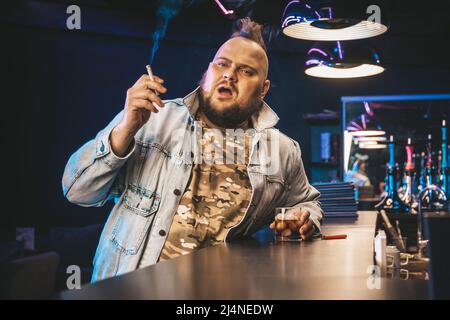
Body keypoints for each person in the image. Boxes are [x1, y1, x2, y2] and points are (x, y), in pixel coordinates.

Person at [62, 17, 323, 282]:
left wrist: (302, 218)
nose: (229, 75)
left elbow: (306, 202)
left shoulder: (282, 150)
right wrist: (125, 130)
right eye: (222, 64)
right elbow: (77, 191)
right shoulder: (152, 119)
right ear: (208, 71)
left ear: (263, 89)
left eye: (246, 71)